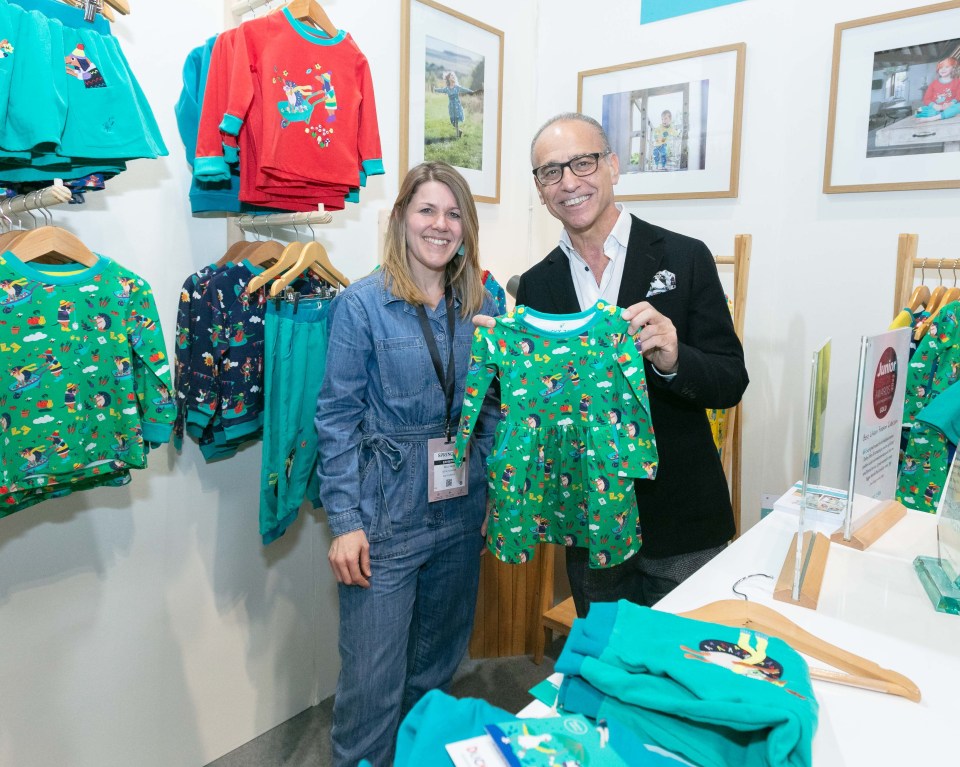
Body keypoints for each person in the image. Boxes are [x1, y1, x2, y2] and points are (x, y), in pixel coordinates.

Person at [478, 112, 748, 616]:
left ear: (613, 166)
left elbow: (731, 381)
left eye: (582, 162)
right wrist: (500, 369)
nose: (569, 182)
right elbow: (540, 411)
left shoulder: (685, 258)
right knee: (605, 654)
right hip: (589, 524)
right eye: (551, 172)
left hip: (681, 518)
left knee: (686, 659)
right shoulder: (536, 285)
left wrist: (674, 357)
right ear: (540, 190)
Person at [315, 161, 500, 767]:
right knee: (371, 689)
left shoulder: (484, 302)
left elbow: (494, 405)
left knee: (436, 675)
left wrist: (493, 494)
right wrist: (345, 523)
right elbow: (336, 418)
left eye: (454, 214)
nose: (440, 224)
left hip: (461, 509)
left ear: (466, 228)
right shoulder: (361, 304)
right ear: (401, 218)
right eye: (427, 210)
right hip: (385, 518)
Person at [916, 57, 960, 121]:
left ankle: (935, 117)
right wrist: (934, 106)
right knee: (918, 111)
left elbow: (958, 96)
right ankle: (948, 114)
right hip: (936, 108)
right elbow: (926, 99)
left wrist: (951, 103)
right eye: (940, 67)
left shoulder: (958, 81)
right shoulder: (933, 84)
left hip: (951, 106)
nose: (943, 69)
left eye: (946, 67)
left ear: (953, 68)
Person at [433, 71, 474, 138]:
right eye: (451, 75)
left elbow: (464, 89)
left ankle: (457, 135)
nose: (453, 76)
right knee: (453, 122)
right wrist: (435, 89)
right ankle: (459, 131)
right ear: (448, 78)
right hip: (451, 106)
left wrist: (471, 92)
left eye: (453, 75)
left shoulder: (457, 87)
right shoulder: (447, 88)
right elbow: (441, 90)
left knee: (457, 120)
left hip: (457, 106)